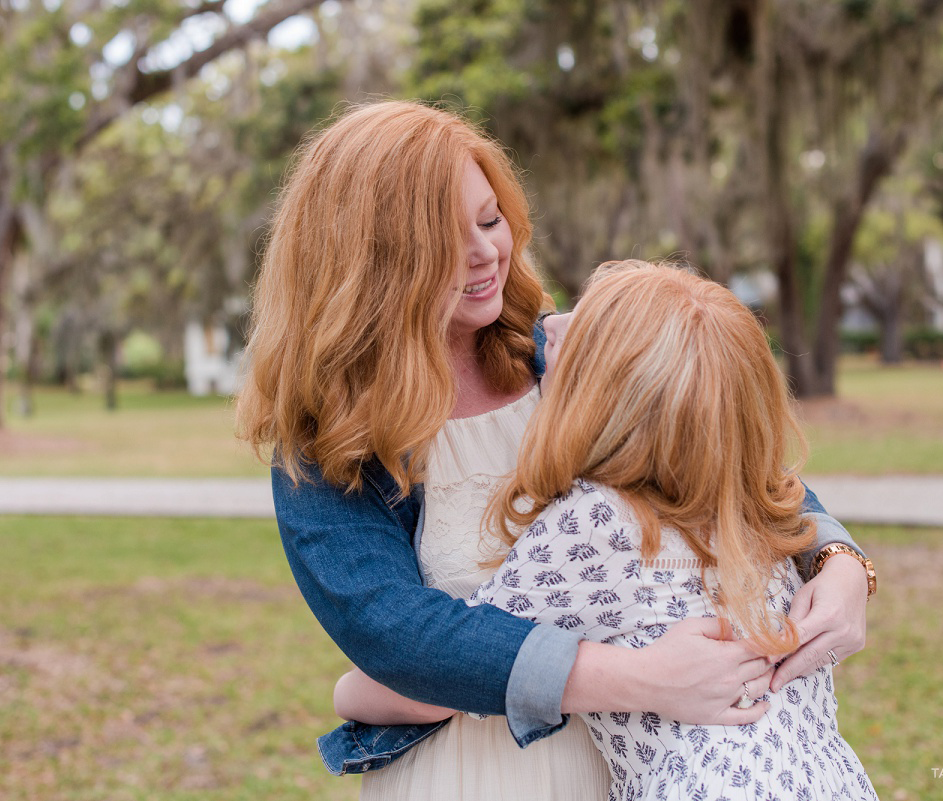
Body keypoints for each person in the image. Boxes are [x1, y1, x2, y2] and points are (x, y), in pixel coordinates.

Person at [236, 100, 875, 799]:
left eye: (490, 219)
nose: (486, 253)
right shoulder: (328, 444)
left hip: (641, 772)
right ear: (372, 262)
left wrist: (839, 560)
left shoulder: (572, 356)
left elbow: (725, 461)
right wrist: (643, 679)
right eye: (447, 239)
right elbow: (399, 636)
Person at [464, 261, 876, 800]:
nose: (550, 326)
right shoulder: (754, 504)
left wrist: (353, 693)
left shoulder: (596, 523)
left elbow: (466, 666)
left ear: (608, 400)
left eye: (578, 337)